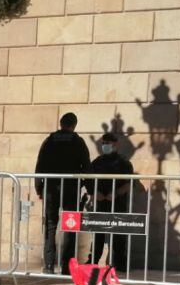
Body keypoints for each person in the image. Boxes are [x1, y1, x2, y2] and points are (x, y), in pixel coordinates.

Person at [34, 112, 91, 275]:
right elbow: (86, 167)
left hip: (51, 189)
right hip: (71, 190)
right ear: (74, 125)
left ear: (61, 123)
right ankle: (67, 267)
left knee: (51, 226)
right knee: (70, 227)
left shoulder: (49, 141)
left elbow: (40, 165)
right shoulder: (78, 142)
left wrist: (39, 188)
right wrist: (90, 189)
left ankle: (49, 266)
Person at [87, 131, 135, 274]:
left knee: (119, 234)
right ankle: (94, 260)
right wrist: (94, 193)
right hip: (101, 203)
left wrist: (116, 194)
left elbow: (128, 183)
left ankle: (120, 263)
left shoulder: (124, 163)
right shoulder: (97, 162)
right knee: (98, 234)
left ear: (116, 144)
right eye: (103, 143)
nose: (105, 146)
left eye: (107, 143)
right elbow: (88, 180)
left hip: (118, 203)